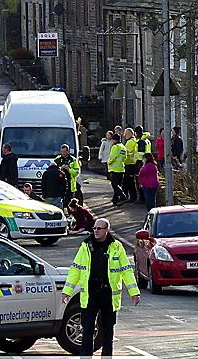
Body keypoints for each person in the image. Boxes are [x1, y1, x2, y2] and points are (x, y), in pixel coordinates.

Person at [62, 218, 141, 357]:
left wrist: (134, 292)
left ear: (106, 230)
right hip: (90, 294)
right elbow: (75, 270)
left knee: (107, 332)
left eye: (99, 228)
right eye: (94, 228)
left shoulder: (116, 247)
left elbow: (126, 271)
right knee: (87, 331)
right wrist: (67, 291)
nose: (96, 231)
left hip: (108, 295)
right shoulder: (85, 246)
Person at [54, 144, 80, 210]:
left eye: (64, 151)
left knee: (70, 203)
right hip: (59, 184)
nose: (63, 153)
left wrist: (69, 169)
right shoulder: (57, 160)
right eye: (62, 151)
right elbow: (53, 171)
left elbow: (77, 172)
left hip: (70, 184)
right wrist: (61, 168)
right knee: (60, 202)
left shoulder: (73, 160)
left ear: (68, 151)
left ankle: (70, 215)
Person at [108, 134, 128, 206]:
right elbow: (125, 158)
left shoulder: (115, 147)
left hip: (114, 169)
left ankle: (122, 196)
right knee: (118, 184)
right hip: (121, 168)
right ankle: (115, 200)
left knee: (114, 184)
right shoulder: (123, 147)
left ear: (114, 140)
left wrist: (109, 162)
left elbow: (112, 157)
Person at [133, 126, 151, 203]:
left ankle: (142, 198)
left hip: (141, 163)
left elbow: (140, 155)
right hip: (147, 162)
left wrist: (136, 166)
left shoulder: (141, 142)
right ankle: (145, 197)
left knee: (139, 181)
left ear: (137, 133)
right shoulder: (147, 141)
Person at [122, 128, 138, 202]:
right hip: (131, 164)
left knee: (129, 182)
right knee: (127, 181)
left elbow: (126, 153)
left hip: (130, 164)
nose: (124, 135)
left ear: (130, 134)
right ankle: (127, 196)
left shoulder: (130, 142)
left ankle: (132, 197)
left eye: (126, 134)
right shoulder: (132, 141)